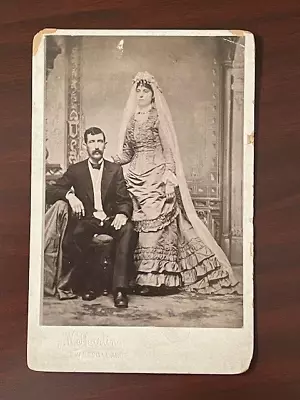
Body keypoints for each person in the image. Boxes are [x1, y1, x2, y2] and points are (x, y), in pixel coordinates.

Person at [112, 71, 241, 295]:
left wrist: (169, 178)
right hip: (134, 177)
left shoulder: (157, 117)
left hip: (156, 176)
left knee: (156, 228)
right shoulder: (132, 120)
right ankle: (139, 279)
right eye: (139, 91)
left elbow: (169, 152)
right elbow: (126, 153)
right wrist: (107, 160)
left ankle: (158, 280)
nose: (141, 94)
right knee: (137, 228)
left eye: (146, 91)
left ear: (153, 95)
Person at [47, 127, 137, 308]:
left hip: (110, 218)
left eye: (99, 142)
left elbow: (124, 199)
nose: (96, 146)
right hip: (88, 220)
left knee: (128, 230)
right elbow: (51, 191)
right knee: (76, 235)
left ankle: (119, 289)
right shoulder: (76, 170)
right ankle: (91, 285)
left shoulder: (115, 169)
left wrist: (122, 213)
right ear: (85, 145)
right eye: (92, 142)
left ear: (105, 144)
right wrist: (70, 196)